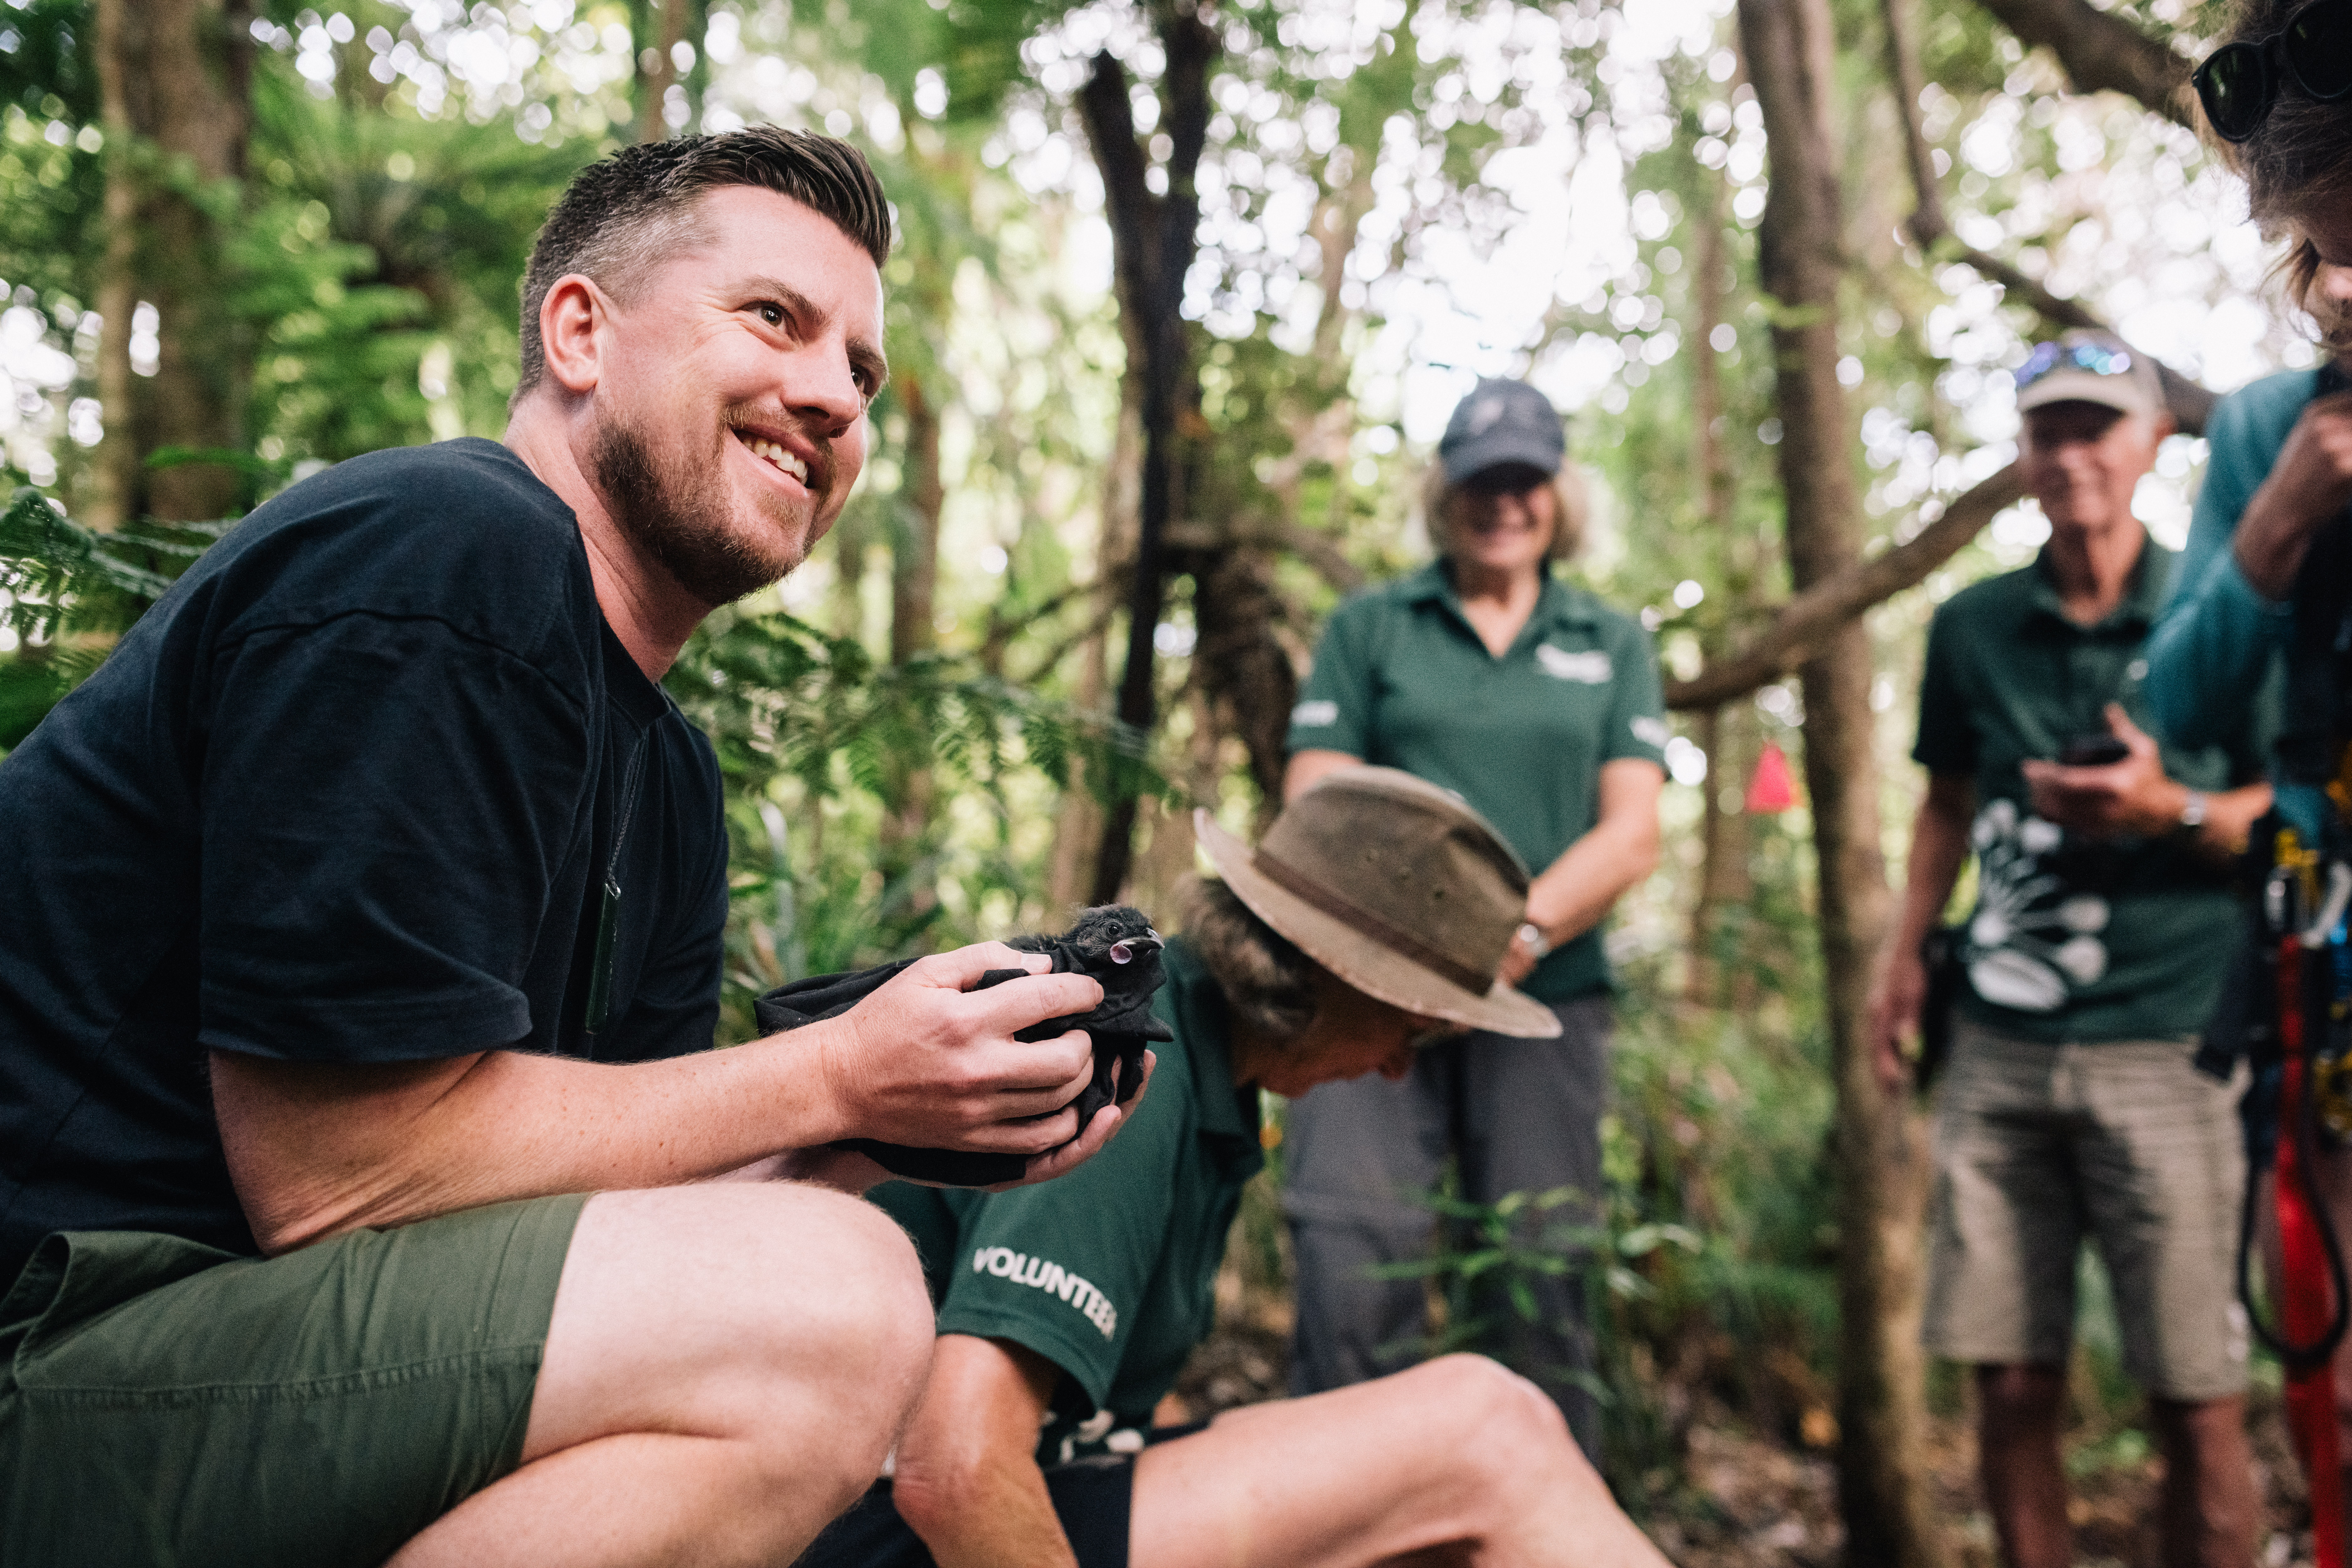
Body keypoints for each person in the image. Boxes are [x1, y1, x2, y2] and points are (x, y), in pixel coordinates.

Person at [0, 130, 1138, 1568]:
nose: (831, 395)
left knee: (828, 1271)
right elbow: (338, 1175)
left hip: (249, 1370)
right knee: (836, 1305)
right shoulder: (442, 553)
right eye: (775, 319)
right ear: (582, 331)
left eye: (861, 371)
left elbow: (598, 1223)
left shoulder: (666, 773)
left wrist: (872, 1127)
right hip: (57, 1350)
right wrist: (831, 1065)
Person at [797, 766, 1673, 1568]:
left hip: (977, 1501)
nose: (1404, 1068)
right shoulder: (1133, 1067)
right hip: (856, 1530)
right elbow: (955, 1468)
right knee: (1491, 1429)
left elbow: (1111, 1423)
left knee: (1414, 1504)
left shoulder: (1208, 1067)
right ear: (1332, 978)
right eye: (1413, 1028)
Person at [1867, 331, 2272, 1568]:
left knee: (2196, 1397)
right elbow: (1945, 805)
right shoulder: (1973, 626)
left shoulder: (2226, 608)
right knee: (2007, 1387)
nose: (2074, 454)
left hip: (2177, 1043)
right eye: (2049, 431)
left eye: (2098, 427)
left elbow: (2290, 818)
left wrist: (2167, 810)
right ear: (2023, 454)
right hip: (1998, 1042)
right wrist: (1900, 958)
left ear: (2153, 443)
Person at [1278, 375, 1665, 1455]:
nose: (1502, 502)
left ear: (1556, 495)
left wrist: (1515, 935)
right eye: (1479, 481)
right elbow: (1315, 788)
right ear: (1442, 493)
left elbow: (1631, 832)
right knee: (1352, 1265)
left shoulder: (1610, 640)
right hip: (1365, 993)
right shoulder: (1371, 626)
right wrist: (1419, 932)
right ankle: (1337, 1521)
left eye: (1523, 481)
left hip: (1545, 1002)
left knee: (1538, 1282)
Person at [2143, 0, 2352, 1517]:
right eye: (2333, 249)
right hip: (2322, 947)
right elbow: (2180, 708)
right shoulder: (2274, 430)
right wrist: (2277, 528)